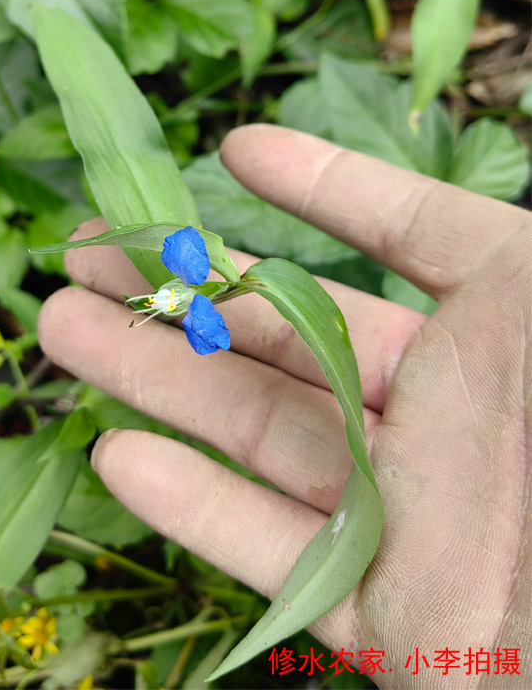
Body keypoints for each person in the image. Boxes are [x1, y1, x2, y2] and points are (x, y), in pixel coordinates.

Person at [37, 124, 531, 688]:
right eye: (164, 301)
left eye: (166, 299)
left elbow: (203, 315)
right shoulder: (190, 286)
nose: (159, 300)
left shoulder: (194, 287)